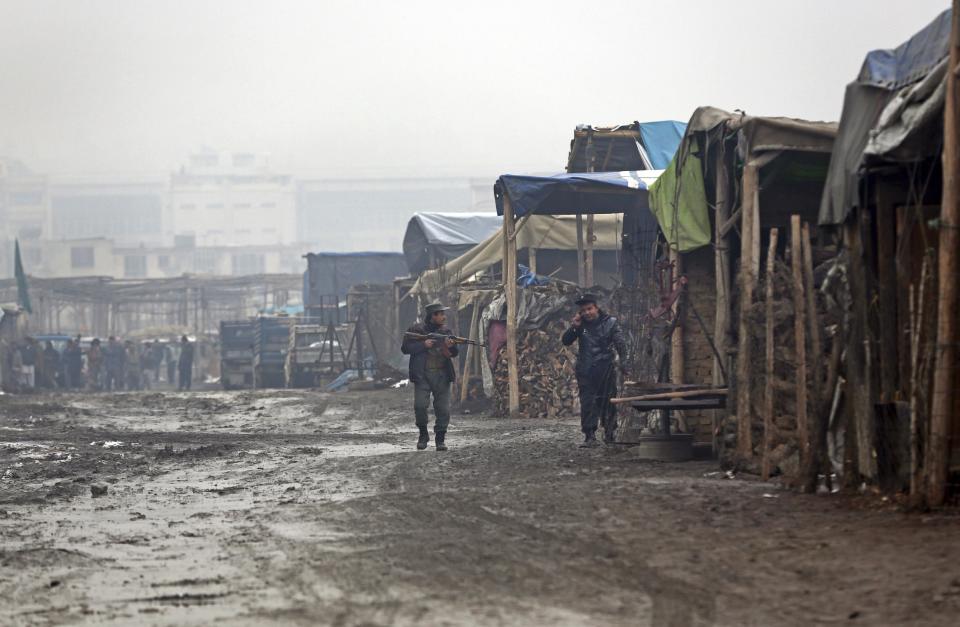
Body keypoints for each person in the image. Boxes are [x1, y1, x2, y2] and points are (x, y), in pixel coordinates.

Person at [561, 293, 628, 447]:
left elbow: (621, 344)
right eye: (583, 310)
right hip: (586, 370)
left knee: (608, 401)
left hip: (605, 369)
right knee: (588, 403)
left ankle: (610, 433)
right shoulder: (580, 325)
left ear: (596, 307)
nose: (587, 313)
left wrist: (625, 363)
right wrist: (574, 327)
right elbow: (566, 341)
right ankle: (589, 436)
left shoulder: (611, 323)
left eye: (589, 309)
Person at [400, 302, 459, 451]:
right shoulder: (416, 330)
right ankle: (423, 434)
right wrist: (423, 345)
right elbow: (405, 348)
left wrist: (450, 345)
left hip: (442, 375)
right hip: (422, 375)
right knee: (420, 406)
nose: (443, 317)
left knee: (443, 409)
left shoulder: (446, 331)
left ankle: (440, 439)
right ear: (433, 316)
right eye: (440, 314)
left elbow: (455, 353)